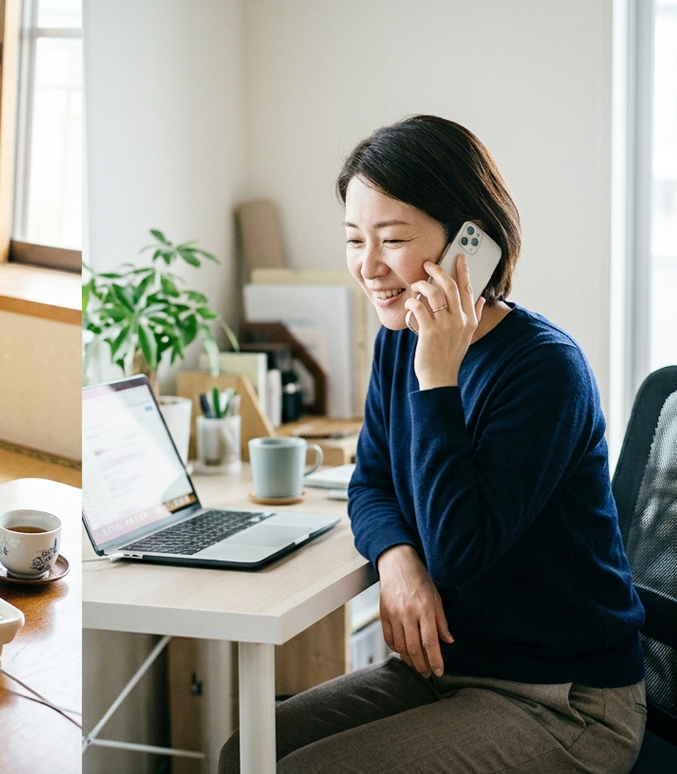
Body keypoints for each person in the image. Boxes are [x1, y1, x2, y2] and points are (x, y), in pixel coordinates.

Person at [218, 115, 646, 773]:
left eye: (391, 239)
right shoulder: (400, 340)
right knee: (245, 754)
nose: (368, 266)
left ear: (467, 244)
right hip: (452, 668)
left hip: (566, 701)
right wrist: (395, 560)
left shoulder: (543, 370)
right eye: (354, 239)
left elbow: (458, 554)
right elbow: (371, 480)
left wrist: (436, 376)